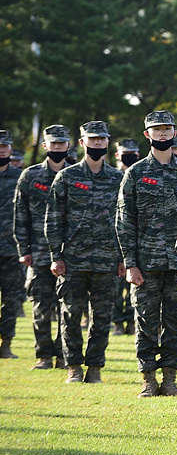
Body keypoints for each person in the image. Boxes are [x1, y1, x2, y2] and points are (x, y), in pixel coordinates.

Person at [115, 110, 177, 397]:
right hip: (145, 264)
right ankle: (148, 379)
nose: (162, 134)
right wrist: (130, 263)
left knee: (175, 323)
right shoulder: (135, 173)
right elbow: (124, 221)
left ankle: (170, 379)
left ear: (174, 134)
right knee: (145, 321)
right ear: (147, 135)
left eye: (167, 129)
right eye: (156, 130)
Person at [45, 121, 124, 384]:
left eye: (102, 139)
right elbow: (54, 219)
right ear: (82, 143)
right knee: (71, 316)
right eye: (92, 139)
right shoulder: (67, 177)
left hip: (107, 260)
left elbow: (126, 221)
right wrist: (56, 255)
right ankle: (74, 367)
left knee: (102, 318)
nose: (97, 144)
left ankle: (95, 368)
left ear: (108, 142)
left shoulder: (118, 178)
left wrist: (124, 258)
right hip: (73, 260)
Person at [14, 125, 69, 369]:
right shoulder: (30, 176)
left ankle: (64, 354)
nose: (57, 148)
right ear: (45, 146)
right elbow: (20, 215)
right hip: (38, 252)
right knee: (41, 307)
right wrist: (23, 249)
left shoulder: (76, 175)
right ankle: (44, 355)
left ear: (69, 145)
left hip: (70, 253)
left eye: (61, 143)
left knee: (68, 309)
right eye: (53, 144)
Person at [111, 138, 141, 336]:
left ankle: (131, 321)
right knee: (114, 289)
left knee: (133, 285)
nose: (129, 156)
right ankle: (117, 323)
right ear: (117, 155)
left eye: (133, 152)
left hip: (135, 243)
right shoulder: (111, 177)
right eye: (125, 152)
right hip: (111, 244)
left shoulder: (140, 175)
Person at [0, 130, 22, 359]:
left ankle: (6, 344)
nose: (1, 149)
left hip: (11, 249)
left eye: (5, 145)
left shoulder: (20, 177)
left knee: (11, 299)